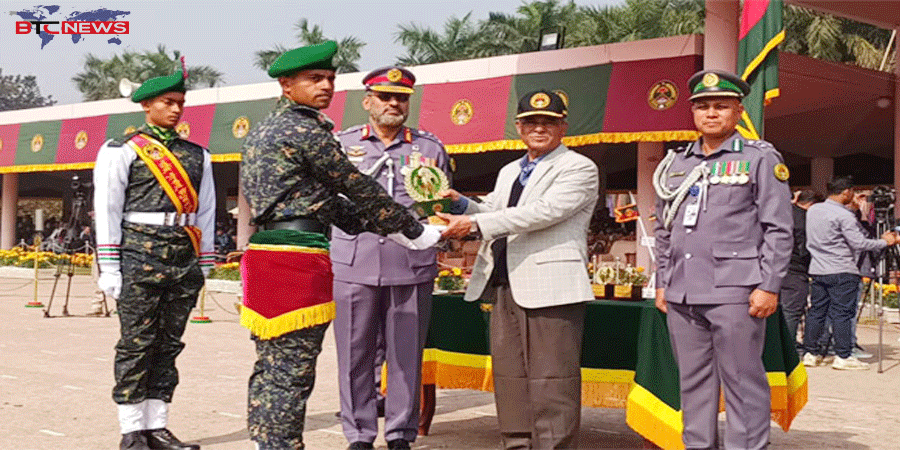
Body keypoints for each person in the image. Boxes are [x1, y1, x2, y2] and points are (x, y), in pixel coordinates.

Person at [239, 41, 442, 450]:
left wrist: (397, 232)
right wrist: (415, 232)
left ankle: (267, 442)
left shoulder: (265, 128)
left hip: (267, 252)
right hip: (297, 254)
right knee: (292, 369)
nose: (326, 86)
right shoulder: (305, 128)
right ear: (286, 84)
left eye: (330, 79)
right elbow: (353, 187)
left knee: (271, 366)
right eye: (314, 79)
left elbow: (329, 203)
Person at [440, 90, 599, 449]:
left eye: (549, 122)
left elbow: (543, 213)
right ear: (518, 127)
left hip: (552, 286)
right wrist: (462, 205)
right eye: (531, 122)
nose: (539, 128)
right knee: (510, 379)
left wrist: (474, 225)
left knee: (552, 383)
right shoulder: (511, 169)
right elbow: (496, 208)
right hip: (504, 283)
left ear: (564, 127)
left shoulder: (578, 166)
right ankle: (516, 443)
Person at [652, 69, 793, 450]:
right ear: (693, 113)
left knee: (742, 382)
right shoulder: (675, 164)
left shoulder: (759, 158)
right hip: (682, 291)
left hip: (736, 289)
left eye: (721, 106)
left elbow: (779, 228)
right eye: (703, 106)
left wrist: (769, 285)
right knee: (693, 383)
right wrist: (662, 282)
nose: (711, 113)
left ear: (737, 111)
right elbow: (665, 230)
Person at [94, 66, 216, 450]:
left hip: (182, 257)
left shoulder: (198, 155)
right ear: (146, 105)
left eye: (181, 103)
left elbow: (207, 210)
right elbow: (109, 208)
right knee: (136, 343)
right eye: (168, 102)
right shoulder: (123, 150)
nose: (177, 110)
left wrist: (206, 259)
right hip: (138, 255)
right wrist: (110, 266)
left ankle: (157, 425)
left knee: (169, 344)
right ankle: (131, 429)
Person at [330, 66, 450, 450]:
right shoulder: (342, 144)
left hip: (410, 262)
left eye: (401, 98)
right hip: (355, 259)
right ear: (367, 102)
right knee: (354, 353)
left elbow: (439, 204)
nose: (394, 104)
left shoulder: (430, 147)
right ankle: (359, 433)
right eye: (385, 97)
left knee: (406, 354)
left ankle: (400, 432)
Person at [802, 176, 896, 370]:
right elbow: (859, 243)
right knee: (842, 314)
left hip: (819, 269)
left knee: (817, 312)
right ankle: (843, 356)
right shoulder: (844, 215)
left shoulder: (814, 210)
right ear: (846, 191)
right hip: (842, 270)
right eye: (852, 192)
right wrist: (885, 242)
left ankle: (811, 352)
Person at [780, 189, 820, 352]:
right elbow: (804, 249)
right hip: (795, 269)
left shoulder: (785, 212)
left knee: (781, 310)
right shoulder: (804, 219)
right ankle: (788, 348)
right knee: (792, 311)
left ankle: (782, 345)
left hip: (779, 266)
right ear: (812, 204)